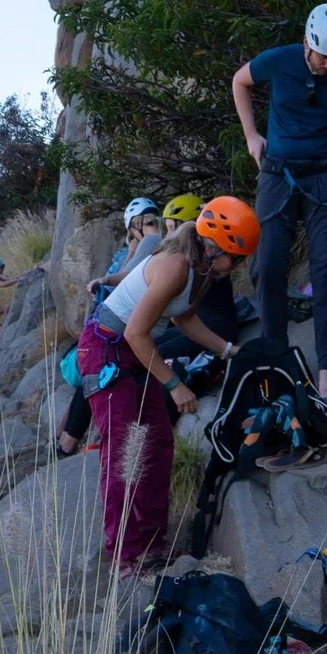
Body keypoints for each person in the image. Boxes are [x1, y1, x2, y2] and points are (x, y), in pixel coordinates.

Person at [75, 196, 259, 573]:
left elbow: (184, 319)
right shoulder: (176, 264)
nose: (237, 266)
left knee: (158, 442)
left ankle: (152, 545)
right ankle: (125, 555)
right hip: (107, 348)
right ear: (217, 246)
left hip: (132, 348)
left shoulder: (204, 271)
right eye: (236, 258)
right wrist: (174, 383)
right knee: (125, 451)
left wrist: (229, 350)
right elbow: (136, 331)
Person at [231, 3, 327, 409]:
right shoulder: (280, 60)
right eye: (322, 56)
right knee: (267, 265)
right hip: (277, 172)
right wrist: (252, 136)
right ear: (306, 42)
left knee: (326, 270)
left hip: (326, 176)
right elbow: (240, 81)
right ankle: (276, 363)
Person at [62, 198, 169, 457]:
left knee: (94, 374)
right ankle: (69, 438)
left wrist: (106, 277)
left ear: (136, 225)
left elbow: (126, 279)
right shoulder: (157, 243)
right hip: (137, 322)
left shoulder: (151, 242)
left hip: (123, 323)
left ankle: (67, 441)